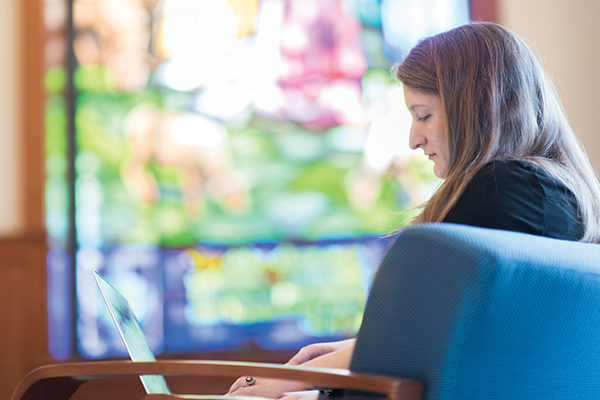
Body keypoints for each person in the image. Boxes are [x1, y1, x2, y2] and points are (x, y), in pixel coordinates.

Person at [226, 22, 600, 399]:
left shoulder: (502, 189)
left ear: (476, 107)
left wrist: (278, 382)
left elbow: (418, 339)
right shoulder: (556, 195)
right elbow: (457, 334)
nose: (412, 139)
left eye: (423, 115)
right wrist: (348, 352)